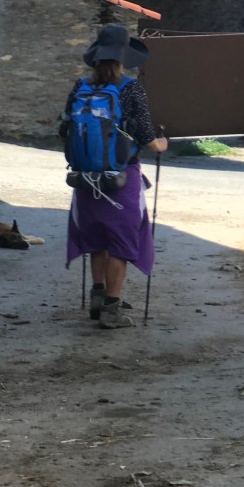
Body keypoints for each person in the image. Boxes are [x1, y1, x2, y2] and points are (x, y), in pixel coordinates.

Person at [62, 24, 168, 329]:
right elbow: (146, 136)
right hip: (121, 177)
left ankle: (97, 298)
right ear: (124, 56)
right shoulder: (130, 88)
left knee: (97, 238)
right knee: (120, 240)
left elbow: (65, 128)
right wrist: (161, 144)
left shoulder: (80, 86)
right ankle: (112, 308)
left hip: (86, 177)